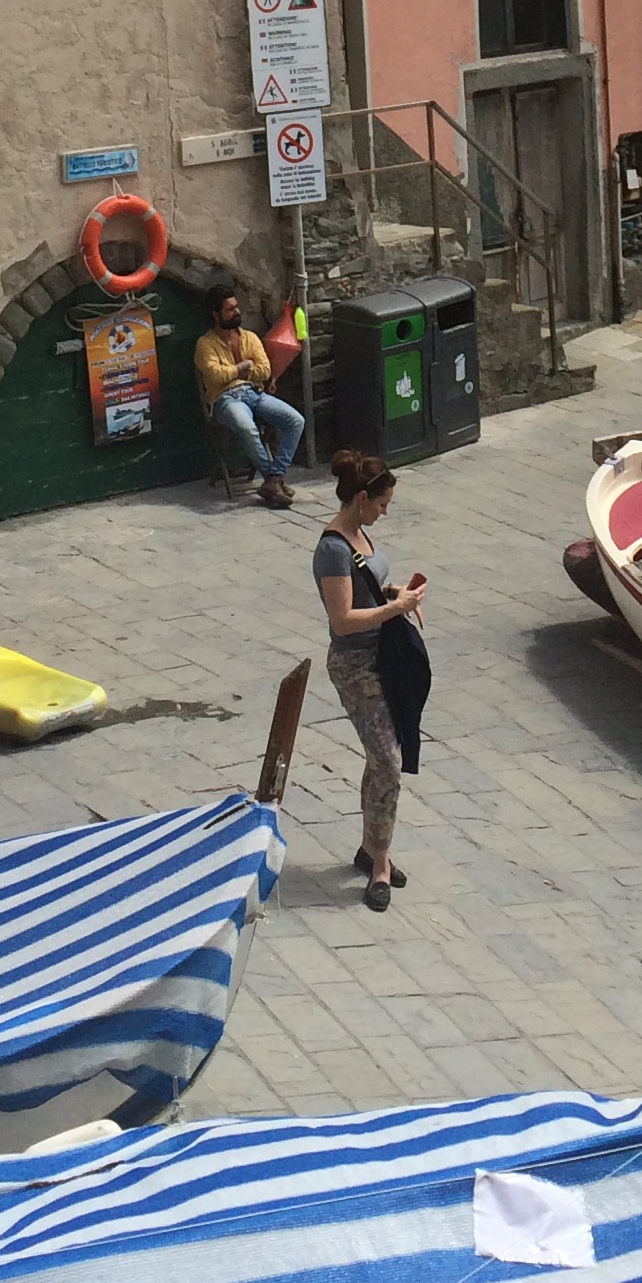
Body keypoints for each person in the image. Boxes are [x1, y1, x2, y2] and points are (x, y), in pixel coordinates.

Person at [312, 450, 425, 913]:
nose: (385, 511)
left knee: (381, 760)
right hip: (356, 666)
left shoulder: (360, 534)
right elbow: (342, 621)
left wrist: (397, 593)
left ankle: (370, 847)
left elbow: (372, 585)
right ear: (361, 498)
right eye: (381, 503)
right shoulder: (332, 550)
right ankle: (380, 864)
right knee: (387, 761)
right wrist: (392, 609)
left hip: (384, 659)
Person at [193, 284, 304, 509]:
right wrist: (242, 367)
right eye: (230, 309)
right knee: (246, 427)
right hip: (226, 399)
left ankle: (274, 478)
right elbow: (214, 376)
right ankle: (273, 479)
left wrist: (238, 371)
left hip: (255, 393)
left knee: (295, 420)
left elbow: (264, 370)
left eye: (236, 307)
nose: (237, 312)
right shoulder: (204, 345)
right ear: (216, 315)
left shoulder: (250, 338)